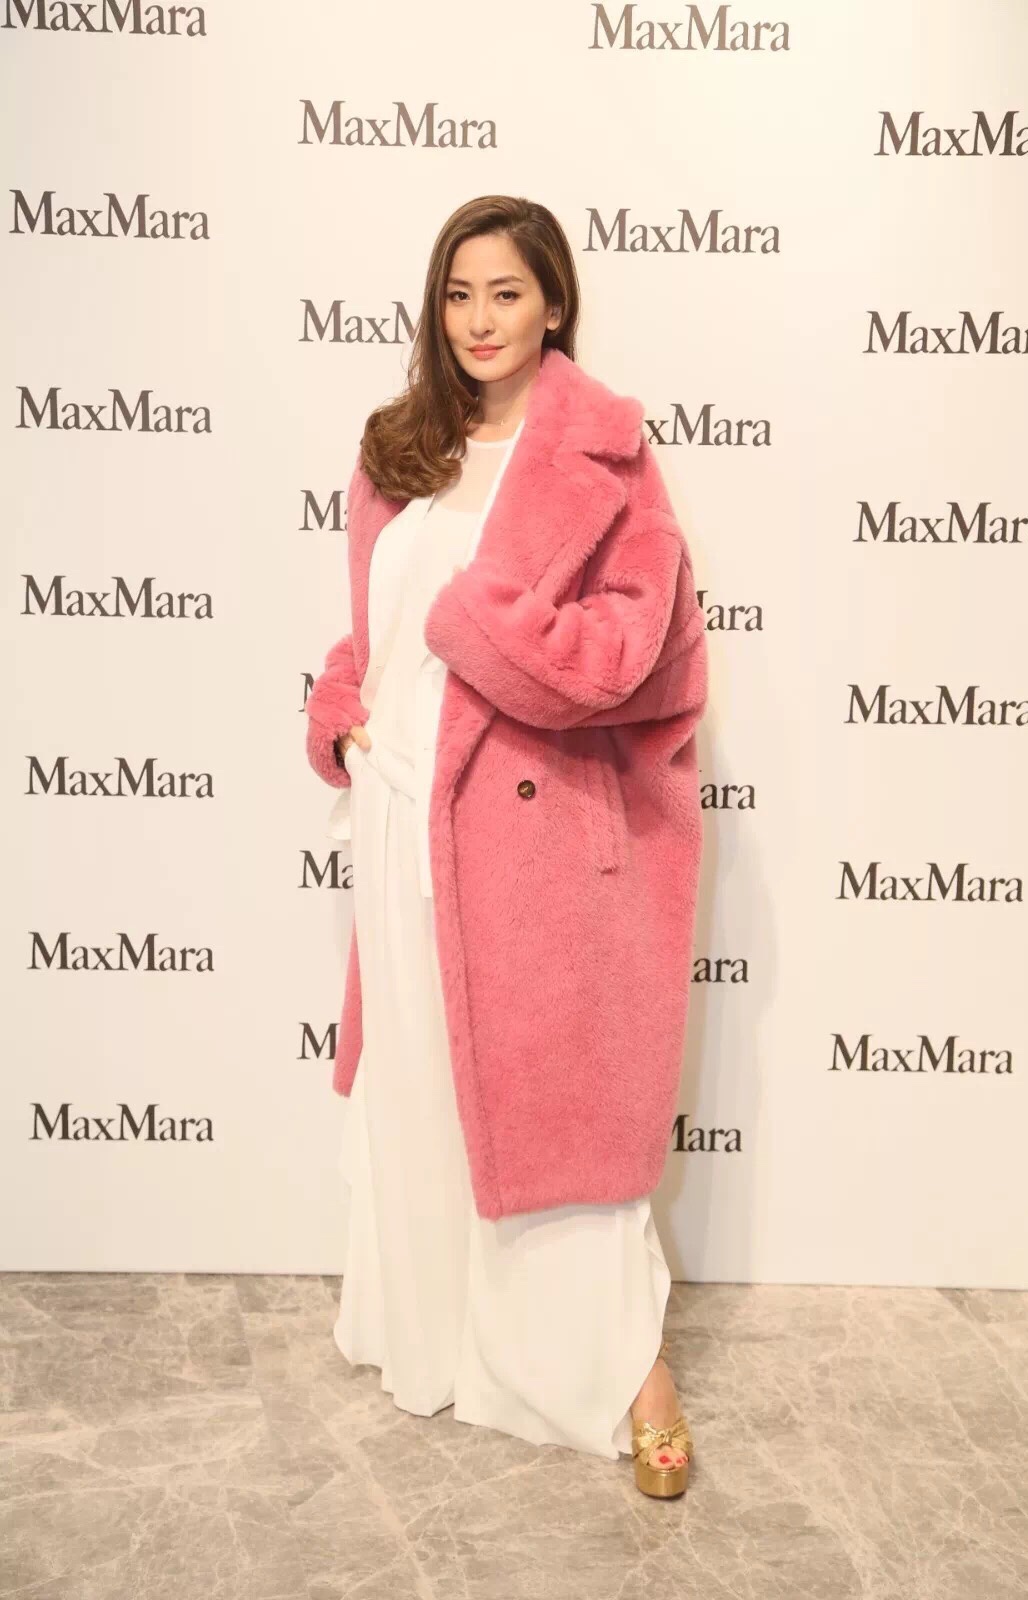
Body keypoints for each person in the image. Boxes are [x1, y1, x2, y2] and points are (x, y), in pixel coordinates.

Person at [305, 195, 708, 1499]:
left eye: (507, 293)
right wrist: (339, 704)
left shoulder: (606, 457)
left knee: (548, 1106)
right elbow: (376, 629)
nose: (480, 320)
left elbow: (636, 653)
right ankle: (441, 1339)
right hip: (397, 817)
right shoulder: (398, 451)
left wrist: (484, 625)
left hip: (527, 841)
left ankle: (622, 1367)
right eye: (458, 293)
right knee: (428, 1084)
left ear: (554, 304)